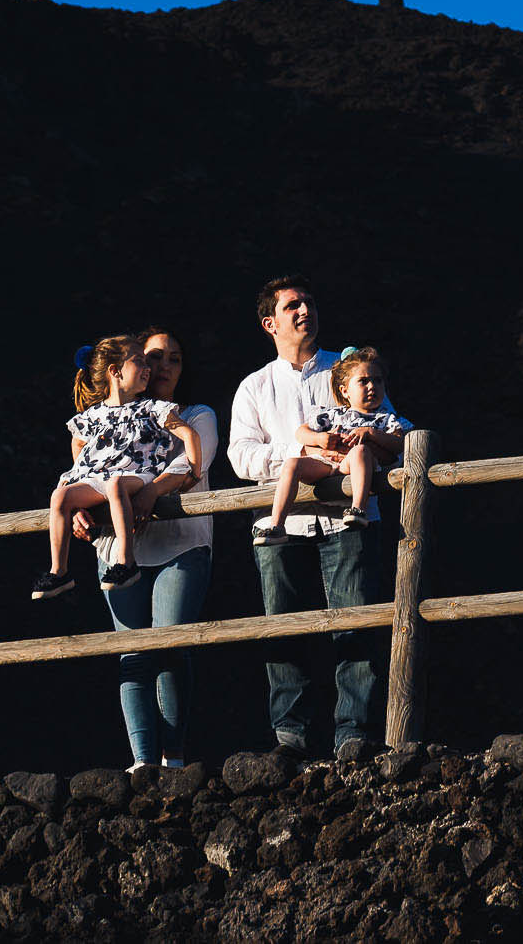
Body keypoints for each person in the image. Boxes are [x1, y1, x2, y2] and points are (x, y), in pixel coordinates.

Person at [228, 277, 391, 759]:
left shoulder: (348, 372)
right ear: (269, 323)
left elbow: (388, 428)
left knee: (355, 623)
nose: (305, 310)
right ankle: (290, 737)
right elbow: (241, 458)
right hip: (283, 525)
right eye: (292, 305)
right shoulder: (253, 387)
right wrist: (303, 449)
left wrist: (361, 442)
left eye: (311, 303)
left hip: (349, 518)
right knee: (284, 627)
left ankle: (354, 735)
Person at [74, 327, 217, 771]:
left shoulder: (195, 414)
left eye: (175, 358)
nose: (164, 367)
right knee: (131, 651)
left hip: (180, 545)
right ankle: (141, 762)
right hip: (118, 546)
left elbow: (194, 464)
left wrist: (151, 492)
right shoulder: (109, 417)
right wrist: (79, 507)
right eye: (155, 357)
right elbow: (86, 468)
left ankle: (172, 757)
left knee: (171, 644)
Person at [36, 336, 199, 600]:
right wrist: (81, 473)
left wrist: (194, 470)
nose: (148, 369)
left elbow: (189, 434)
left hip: (138, 473)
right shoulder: (93, 414)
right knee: (60, 496)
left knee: (115, 485)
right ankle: (59, 571)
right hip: (99, 477)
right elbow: (78, 442)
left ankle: (126, 561)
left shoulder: (151, 408)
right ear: (115, 370)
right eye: (139, 362)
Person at [258, 345, 414, 542]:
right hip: (327, 464)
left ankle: (358, 508)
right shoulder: (334, 414)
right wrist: (320, 439)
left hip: (354, 464)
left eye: (378, 381)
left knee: (360, 451)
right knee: (291, 464)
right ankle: (277, 526)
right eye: (363, 382)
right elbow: (301, 432)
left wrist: (372, 433)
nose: (372, 386)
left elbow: (401, 443)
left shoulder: (386, 418)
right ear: (345, 391)